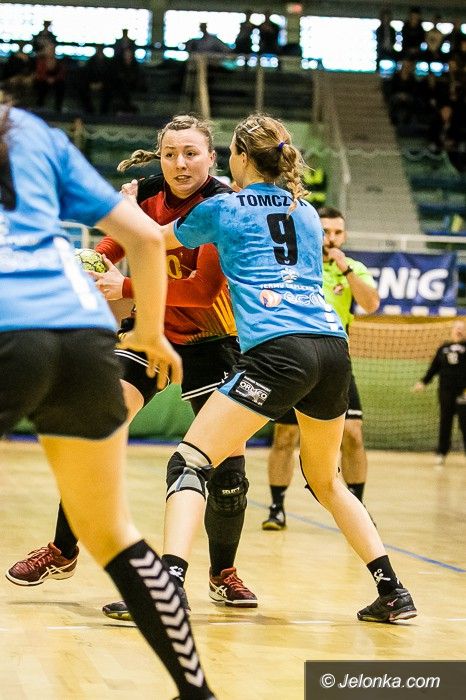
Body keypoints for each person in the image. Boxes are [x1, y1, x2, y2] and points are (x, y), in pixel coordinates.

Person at [151, 113, 417, 624]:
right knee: (326, 480)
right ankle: (393, 591)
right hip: (332, 348)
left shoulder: (222, 208)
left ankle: (168, 588)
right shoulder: (307, 211)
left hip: (278, 351)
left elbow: (152, 238)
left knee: (189, 463)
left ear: (240, 158)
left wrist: (123, 205)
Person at [0, 105, 214, 700]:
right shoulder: (33, 131)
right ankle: (197, 692)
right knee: (112, 531)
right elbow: (142, 237)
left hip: (9, 327)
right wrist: (149, 333)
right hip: (82, 331)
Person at [262, 206, 380, 530]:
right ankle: (276, 507)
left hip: (335, 363)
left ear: (345, 235)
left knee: (353, 434)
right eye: (325, 231)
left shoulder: (353, 268)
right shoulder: (296, 264)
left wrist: (347, 270)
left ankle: (357, 506)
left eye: (337, 232)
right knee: (285, 436)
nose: (331, 238)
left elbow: (371, 304)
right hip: (295, 360)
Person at [412, 319, 466, 465]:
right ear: (452, 330)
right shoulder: (443, 348)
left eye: (462, 328)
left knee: (464, 422)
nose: (459, 330)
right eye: (457, 328)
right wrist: (423, 382)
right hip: (446, 391)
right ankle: (441, 452)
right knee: (445, 422)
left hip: (463, 392)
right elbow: (434, 367)